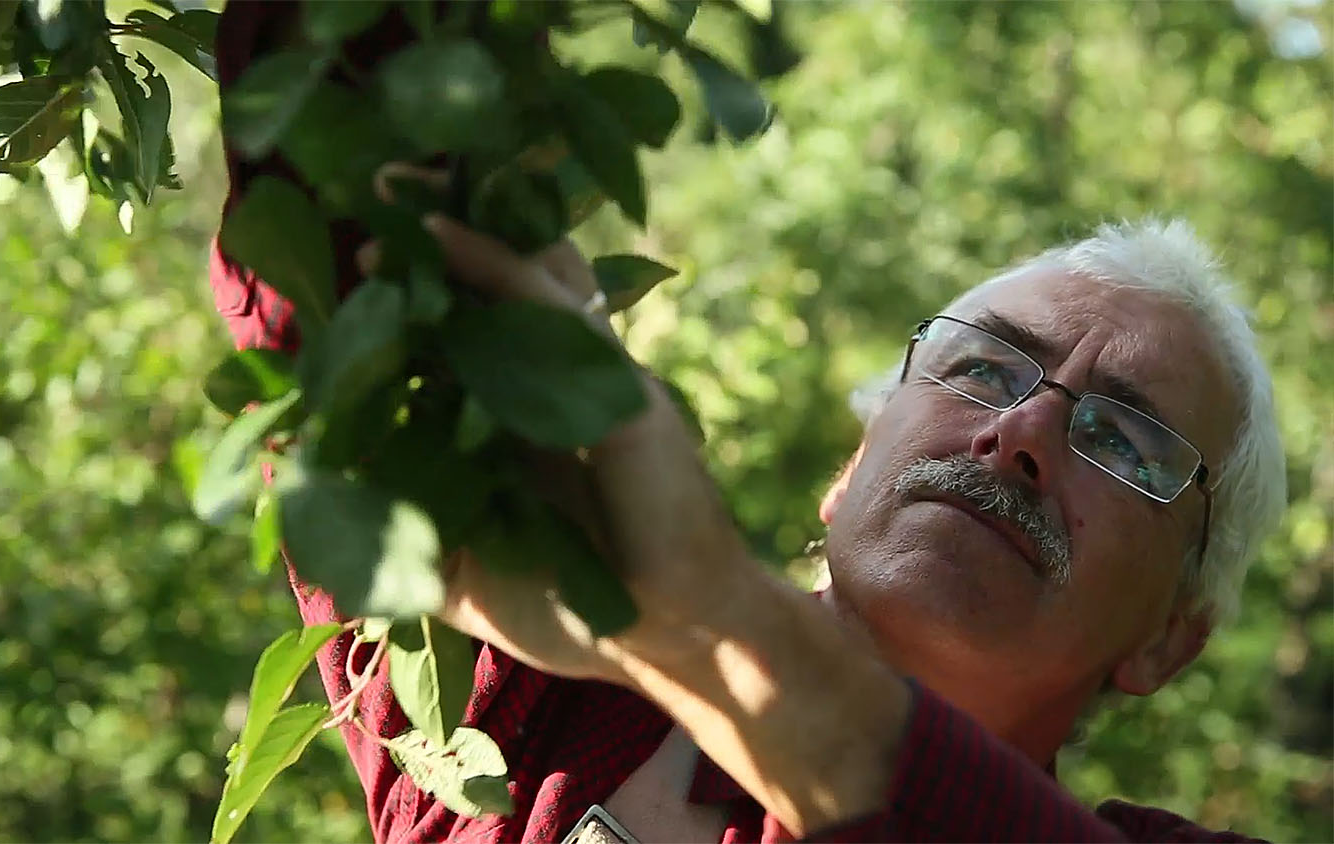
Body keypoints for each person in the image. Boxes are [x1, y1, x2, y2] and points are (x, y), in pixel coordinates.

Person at [209, 8, 1286, 843]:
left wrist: (699, 620)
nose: (1024, 435)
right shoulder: (504, 699)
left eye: (1123, 442)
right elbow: (339, 215)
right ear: (851, 465)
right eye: (987, 365)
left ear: (1169, 637)